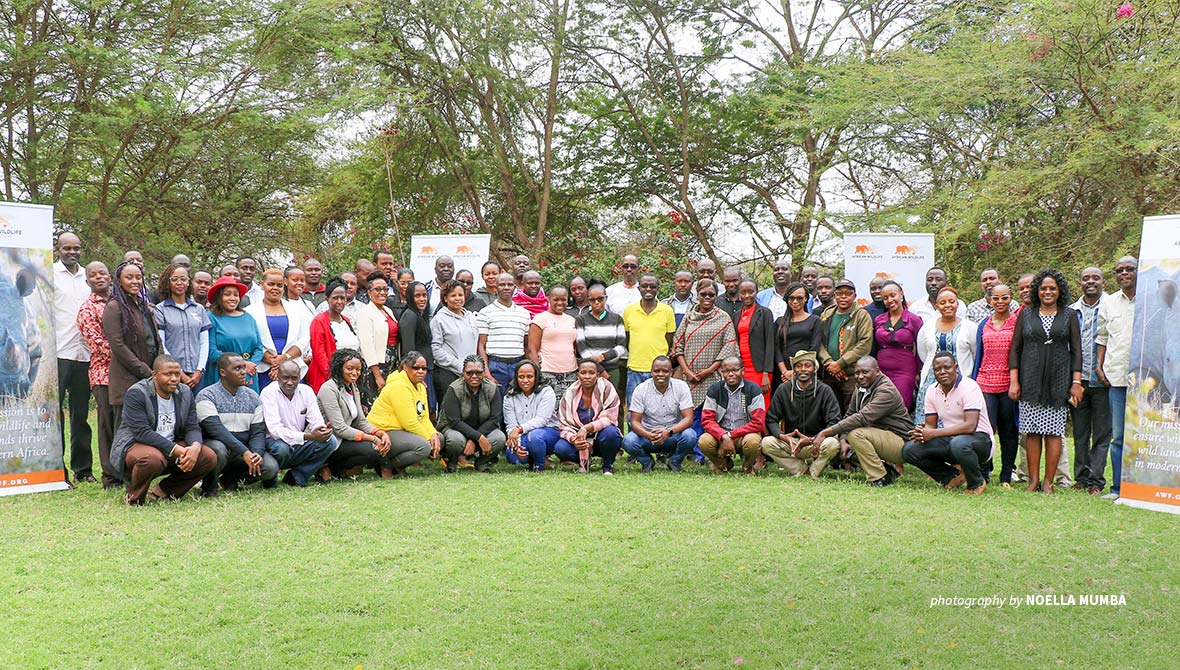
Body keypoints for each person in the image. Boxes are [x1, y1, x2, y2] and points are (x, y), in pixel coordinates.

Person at [1009, 269, 1083, 494]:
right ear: (1037, 291)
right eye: (1043, 288)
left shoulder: (1069, 315)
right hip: (1029, 380)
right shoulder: (1026, 314)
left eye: (1052, 288)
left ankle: (1049, 482)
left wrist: (1076, 382)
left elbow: (1077, 351)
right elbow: (1015, 349)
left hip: (1059, 380)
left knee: (1053, 432)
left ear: (1059, 290)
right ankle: (1033, 481)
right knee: (1031, 432)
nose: (1047, 292)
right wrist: (1014, 381)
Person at [109, 355, 216, 505]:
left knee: (208, 456)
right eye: (168, 374)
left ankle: (164, 492)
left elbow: (192, 426)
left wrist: (195, 448)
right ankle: (134, 498)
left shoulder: (185, 392)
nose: (174, 379)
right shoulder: (137, 393)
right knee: (151, 458)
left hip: (171, 445)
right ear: (154, 375)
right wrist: (177, 449)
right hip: (136, 445)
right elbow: (142, 432)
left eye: (177, 374)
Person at [809, 356, 912, 487]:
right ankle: (887, 469)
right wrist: (842, 439)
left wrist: (826, 432)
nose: (860, 376)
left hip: (901, 443)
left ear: (877, 371)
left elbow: (862, 417)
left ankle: (880, 477)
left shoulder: (886, 391)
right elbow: (850, 415)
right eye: (857, 373)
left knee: (856, 435)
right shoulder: (861, 387)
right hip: (879, 437)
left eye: (865, 372)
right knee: (835, 440)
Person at [903, 352, 994, 494]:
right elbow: (931, 426)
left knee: (959, 443)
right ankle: (951, 477)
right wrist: (923, 432)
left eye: (947, 367)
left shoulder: (970, 387)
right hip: (952, 442)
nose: (942, 372)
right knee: (909, 450)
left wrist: (932, 433)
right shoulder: (932, 391)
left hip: (980, 441)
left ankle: (976, 482)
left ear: (956, 367)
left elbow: (970, 426)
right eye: (937, 369)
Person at [196, 353, 277, 493]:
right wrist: (245, 451)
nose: (243, 372)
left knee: (270, 467)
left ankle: (230, 479)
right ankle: (209, 485)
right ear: (223, 372)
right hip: (218, 447)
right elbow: (216, 430)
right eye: (237, 368)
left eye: (244, 367)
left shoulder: (253, 397)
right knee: (218, 449)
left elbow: (258, 431)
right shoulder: (206, 395)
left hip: (241, 452)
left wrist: (256, 453)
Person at [760, 351, 842, 477]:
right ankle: (800, 469)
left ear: (814, 368)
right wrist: (783, 437)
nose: (803, 369)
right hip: (791, 443)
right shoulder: (784, 389)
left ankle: (814, 470)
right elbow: (771, 419)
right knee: (766, 443)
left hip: (815, 442)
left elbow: (835, 420)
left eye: (807, 365)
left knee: (833, 443)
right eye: (799, 366)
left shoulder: (824, 390)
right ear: (794, 370)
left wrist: (816, 438)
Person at [316, 349, 394, 478]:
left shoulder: (353, 387)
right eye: (350, 368)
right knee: (372, 448)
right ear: (339, 368)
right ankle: (328, 465)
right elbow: (339, 428)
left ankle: (339, 469)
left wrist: (380, 433)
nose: (355, 373)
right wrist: (373, 438)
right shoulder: (328, 389)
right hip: (330, 440)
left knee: (377, 447)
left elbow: (361, 421)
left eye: (358, 369)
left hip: (345, 438)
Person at [53, 232, 93, 482]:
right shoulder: (49, 275)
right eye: (67, 248)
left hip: (85, 355)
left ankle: (83, 470)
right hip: (58, 353)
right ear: (57, 249)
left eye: (76, 248)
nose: (72, 252)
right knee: (55, 415)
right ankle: (57, 471)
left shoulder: (89, 275)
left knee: (80, 416)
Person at [1097, 256, 1137, 500]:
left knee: (1148, 434)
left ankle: (1149, 488)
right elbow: (1102, 338)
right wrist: (1100, 367)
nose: (1124, 273)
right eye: (1119, 270)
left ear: (1138, 270)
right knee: (1119, 436)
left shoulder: (1153, 299)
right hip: (1117, 379)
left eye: (1129, 269)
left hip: (1149, 380)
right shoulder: (1109, 303)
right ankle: (1118, 489)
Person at [970, 283, 1019, 486]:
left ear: (1011, 298)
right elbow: (979, 355)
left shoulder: (1017, 322)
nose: (1000, 302)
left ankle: (1006, 474)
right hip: (985, 384)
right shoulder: (984, 324)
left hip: (1009, 384)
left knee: (1009, 431)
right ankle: (984, 471)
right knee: (986, 431)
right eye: (996, 298)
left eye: (1004, 297)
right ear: (990, 300)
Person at [259, 360, 337, 486]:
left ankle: (297, 476)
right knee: (281, 449)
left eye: (294, 378)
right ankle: (270, 478)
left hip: (299, 440)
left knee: (330, 441)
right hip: (274, 441)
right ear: (277, 376)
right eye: (285, 378)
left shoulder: (306, 391)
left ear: (300, 378)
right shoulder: (268, 393)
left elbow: (316, 420)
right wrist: (308, 436)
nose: (290, 382)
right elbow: (274, 430)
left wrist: (322, 430)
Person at [103, 261, 160, 429]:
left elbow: (156, 339)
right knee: (125, 432)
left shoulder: (145, 306)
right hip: (126, 378)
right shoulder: (114, 307)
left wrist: (158, 366)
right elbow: (117, 346)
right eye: (129, 277)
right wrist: (143, 370)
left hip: (151, 375)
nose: (135, 281)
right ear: (119, 281)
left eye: (138, 277)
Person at [1070, 266, 1112, 495]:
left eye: (1096, 277)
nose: (1091, 282)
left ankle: (1096, 481)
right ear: (1080, 284)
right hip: (1078, 382)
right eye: (1086, 278)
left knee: (1102, 433)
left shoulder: (1111, 306)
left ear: (1103, 281)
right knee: (1080, 433)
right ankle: (1082, 478)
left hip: (1104, 381)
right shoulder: (1071, 311)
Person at [77, 261, 118, 488]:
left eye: (102, 273)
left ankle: (127, 469)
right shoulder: (87, 309)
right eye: (93, 275)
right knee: (107, 426)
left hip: (127, 374)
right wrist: (128, 355)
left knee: (125, 424)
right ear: (87, 282)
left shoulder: (120, 301)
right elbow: (98, 344)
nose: (98, 277)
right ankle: (110, 476)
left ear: (110, 276)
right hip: (104, 375)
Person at [367, 351, 442, 471]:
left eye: (424, 368)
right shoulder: (398, 386)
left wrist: (433, 434)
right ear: (406, 367)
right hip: (384, 431)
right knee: (424, 447)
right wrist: (429, 439)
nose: (421, 371)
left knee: (439, 438)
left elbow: (423, 417)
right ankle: (386, 464)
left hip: (401, 430)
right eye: (416, 368)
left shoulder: (421, 386)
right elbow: (410, 423)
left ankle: (397, 463)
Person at [673, 278, 738, 413]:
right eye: (703, 294)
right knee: (689, 417)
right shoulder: (689, 317)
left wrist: (709, 370)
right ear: (697, 295)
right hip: (689, 378)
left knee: (711, 416)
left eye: (711, 294)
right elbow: (678, 345)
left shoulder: (723, 318)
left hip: (713, 377)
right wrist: (687, 371)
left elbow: (729, 346)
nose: (707, 297)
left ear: (716, 296)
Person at [623, 356, 697, 472]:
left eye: (665, 371)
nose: (660, 374)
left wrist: (668, 432)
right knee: (629, 441)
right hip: (648, 437)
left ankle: (674, 462)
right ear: (651, 372)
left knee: (690, 436)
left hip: (672, 435)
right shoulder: (641, 389)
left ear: (671, 372)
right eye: (657, 371)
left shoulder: (681, 387)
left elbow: (688, 418)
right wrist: (648, 434)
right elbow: (634, 421)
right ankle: (647, 462)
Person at [915, 287, 976, 422]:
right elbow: (923, 352)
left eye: (951, 301)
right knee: (929, 420)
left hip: (960, 379)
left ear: (957, 304)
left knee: (956, 419)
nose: (947, 305)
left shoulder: (970, 327)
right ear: (937, 306)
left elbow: (974, 353)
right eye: (942, 302)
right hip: (931, 380)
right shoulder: (927, 327)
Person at [245, 268, 311, 391]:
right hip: (264, 368)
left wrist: (285, 358)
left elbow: (305, 338)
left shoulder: (296, 310)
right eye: (271, 284)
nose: (275, 288)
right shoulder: (250, 311)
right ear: (262, 285)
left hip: (292, 367)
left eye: (279, 285)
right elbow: (249, 340)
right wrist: (274, 362)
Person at [437, 355, 506, 472]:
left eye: (478, 373)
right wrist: (478, 437)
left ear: (484, 373)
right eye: (469, 373)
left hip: (483, 430)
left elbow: (495, 419)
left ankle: (482, 463)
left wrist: (475, 439)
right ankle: (452, 462)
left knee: (499, 438)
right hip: (457, 430)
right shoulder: (453, 389)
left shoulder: (492, 388)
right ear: (463, 372)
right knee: (455, 440)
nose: (474, 376)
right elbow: (454, 421)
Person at [699, 357, 767, 474]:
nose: (730, 374)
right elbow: (707, 420)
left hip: (744, 435)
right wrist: (723, 436)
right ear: (721, 372)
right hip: (721, 435)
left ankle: (748, 467)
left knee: (753, 441)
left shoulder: (753, 389)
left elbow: (758, 423)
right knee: (704, 441)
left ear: (743, 371)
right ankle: (723, 464)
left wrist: (730, 435)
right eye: (726, 371)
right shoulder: (715, 389)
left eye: (735, 370)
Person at [554, 359, 624, 474]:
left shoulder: (607, 388)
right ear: (578, 375)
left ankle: (607, 466)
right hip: (579, 438)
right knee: (561, 448)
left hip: (601, 438)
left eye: (591, 373)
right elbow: (564, 424)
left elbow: (609, 419)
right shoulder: (570, 393)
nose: (587, 376)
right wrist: (574, 439)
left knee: (612, 433)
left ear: (597, 375)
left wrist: (586, 428)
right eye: (583, 373)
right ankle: (586, 460)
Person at [817, 278, 873, 412]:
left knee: (851, 411)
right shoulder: (826, 314)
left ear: (855, 296)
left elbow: (864, 344)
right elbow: (818, 342)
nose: (843, 297)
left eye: (848, 293)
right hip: (829, 373)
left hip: (851, 375)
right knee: (831, 411)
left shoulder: (861, 315)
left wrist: (840, 363)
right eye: (839, 293)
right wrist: (830, 363)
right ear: (834, 295)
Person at [154, 263, 211, 391]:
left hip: (198, 374)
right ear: (167, 282)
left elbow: (204, 342)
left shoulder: (199, 309)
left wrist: (199, 370)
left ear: (188, 282)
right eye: (174, 279)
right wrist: (179, 372)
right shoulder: (161, 309)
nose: (179, 283)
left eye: (183, 279)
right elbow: (162, 344)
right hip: (172, 374)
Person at [624, 274, 678, 403]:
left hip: (660, 370)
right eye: (644, 286)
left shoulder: (667, 311)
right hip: (635, 368)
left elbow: (669, 338)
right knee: (634, 408)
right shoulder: (629, 310)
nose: (648, 289)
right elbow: (627, 338)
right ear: (639, 288)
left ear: (658, 288)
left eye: (652, 286)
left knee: (659, 406)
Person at [204, 276, 264, 392]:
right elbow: (212, 352)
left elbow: (259, 348)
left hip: (249, 373)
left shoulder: (248, 317)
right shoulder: (211, 317)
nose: (232, 298)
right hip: (224, 374)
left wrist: (250, 365)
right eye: (227, 294)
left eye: (235, 295)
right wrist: (242, 364)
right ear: (219, 296)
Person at [575, 281, 629, 406]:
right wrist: (599, 370)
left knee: (614, 403)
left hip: (613, 369)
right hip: (590, 371)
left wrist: (603, 357)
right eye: (592, 300)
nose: (596, 303)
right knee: (591, 403)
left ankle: (615, 426)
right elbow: (582, 348)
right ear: (588, 300)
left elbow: (621, 346)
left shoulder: (616, 319)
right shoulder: (581, 319)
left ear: (606, 298)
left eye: (600, 299)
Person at [503, 360, 561, 471]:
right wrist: (516, 446)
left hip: (547, 432)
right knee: (513, 456)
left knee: (534, 436)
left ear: (536, 376)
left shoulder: (546, 392)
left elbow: (542, 420)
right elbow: (511, 426)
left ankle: (539, 466)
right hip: (523, 435)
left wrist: (519, 429)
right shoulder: (509, 397)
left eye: (529, 376)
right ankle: (535, 457)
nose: (525, 380)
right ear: (516, 377)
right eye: (521, 377)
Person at [477, 272, 532, 391]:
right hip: (495, 365)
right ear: (496, 287)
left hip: (518, 365)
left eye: (510, 285)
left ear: (515, 288)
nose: (506, 288)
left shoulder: (524, 313)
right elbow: (481, 345)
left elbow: (526, 345)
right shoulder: (485, 313)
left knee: (517, 404)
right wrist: (486, 372)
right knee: (496, 405)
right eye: (502, 285)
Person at [873, 281, 922, 412]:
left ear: (901, 294)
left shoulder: (914, 320)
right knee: (880, 407)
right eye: (885, 298)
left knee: (900, 407)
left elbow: (921, 348)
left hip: (904, 371)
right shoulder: (879, 320)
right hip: (881, 371)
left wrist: (918, 372)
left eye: (892, 295)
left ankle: (900, 432)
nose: (889, 300)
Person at [307, 278, 361, 392]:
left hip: (347, 380)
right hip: (327, 381)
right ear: (327, 299)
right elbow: (319, 354)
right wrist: (334, 379)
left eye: (343, 298)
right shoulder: (319, 321)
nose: (340, 301)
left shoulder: (346, 320)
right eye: (335, 298)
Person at [355, 271, 399, 408]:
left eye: (385, 289)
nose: (383, 293)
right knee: (374, 402)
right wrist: (377, 374)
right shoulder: (365, 312)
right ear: (369, 292)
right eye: (378, 289)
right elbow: (367, 345)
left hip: (391, 362)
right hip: (376, 366)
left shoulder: (387, 310)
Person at [431, 280, 480, 403]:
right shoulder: (439, 319)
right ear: (445, 298)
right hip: (448, 373)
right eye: (453, 295)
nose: (457, 298)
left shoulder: (471, 317)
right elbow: (436, 348)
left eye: (460, 295)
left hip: (471, 374)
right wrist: (457, 364)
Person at [528, 285, 579, 399]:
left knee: (568, 407)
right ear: (549, 299)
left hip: (571, 372)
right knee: (551, 408)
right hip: (548, 372)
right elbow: (532, 349)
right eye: (556, 299)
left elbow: (574, 347)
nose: (560, 303)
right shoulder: (540, 319)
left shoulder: (572, 320)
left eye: (563, 299)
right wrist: (538, 373)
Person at [735, 279, 775, 405]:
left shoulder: (764, 313)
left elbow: (770, 343)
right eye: (743, 292)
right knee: (745, 405)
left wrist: (766, 373)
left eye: (750, 292)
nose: (747, 295)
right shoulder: (736, 315)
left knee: (761, 405)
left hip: (759, 369)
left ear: (756, 292)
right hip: (743, 368)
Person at [773, 282, 822, 385]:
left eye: (799, 298)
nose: (795, 301)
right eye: (791, 298)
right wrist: (785, 372)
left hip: (805, 372)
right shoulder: (779, 322)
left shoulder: (815, 320)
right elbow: (777, 348)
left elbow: (814, 348)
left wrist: (796, 371)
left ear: (806, 299)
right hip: (783, 374)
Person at [398, 282, 437, 410]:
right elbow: (409, 351)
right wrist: (417, 377)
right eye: (417, 296)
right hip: (418, 372)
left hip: (426, 369)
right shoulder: (410, 316)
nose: (422, 299)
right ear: (410, 297)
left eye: (424, 295)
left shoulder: (420, 315)